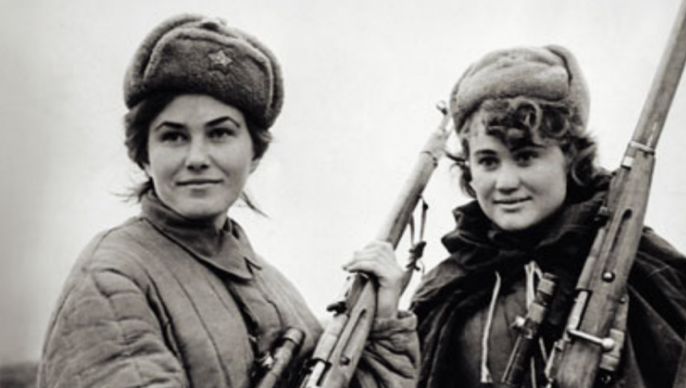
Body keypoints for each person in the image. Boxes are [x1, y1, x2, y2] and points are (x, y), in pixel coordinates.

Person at [37, 14, 418, 388]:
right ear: (143, 154)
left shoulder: (274, 287)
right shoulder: (112, 277)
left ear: (254, 154)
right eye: (173, 136)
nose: (197, 157)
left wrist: (382, 322)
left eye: (220, 133)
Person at [357, 46, 686, 387]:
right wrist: (386, 318)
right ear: (468, 170)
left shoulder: (643, 273)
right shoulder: (447, 291)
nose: (505, 181)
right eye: (488, 161)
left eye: (526, 155)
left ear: (571, 157)